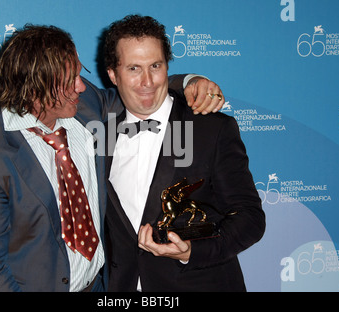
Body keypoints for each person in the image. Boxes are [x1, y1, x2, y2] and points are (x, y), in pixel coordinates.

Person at [0, 24, 224, 292]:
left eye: (79, 75)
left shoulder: (83, 107)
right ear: (34, 88)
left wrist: (190, 82)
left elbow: (139, 92)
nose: (81, 87)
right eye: (70, 82)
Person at [103, 15, 265, 292]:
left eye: (155, 66)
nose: (147, 81)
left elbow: (250, 219)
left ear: (167, 66)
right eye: (133, 68)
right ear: (113, 74)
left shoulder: (211, 129)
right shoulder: (97, 130)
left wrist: (192, 252)